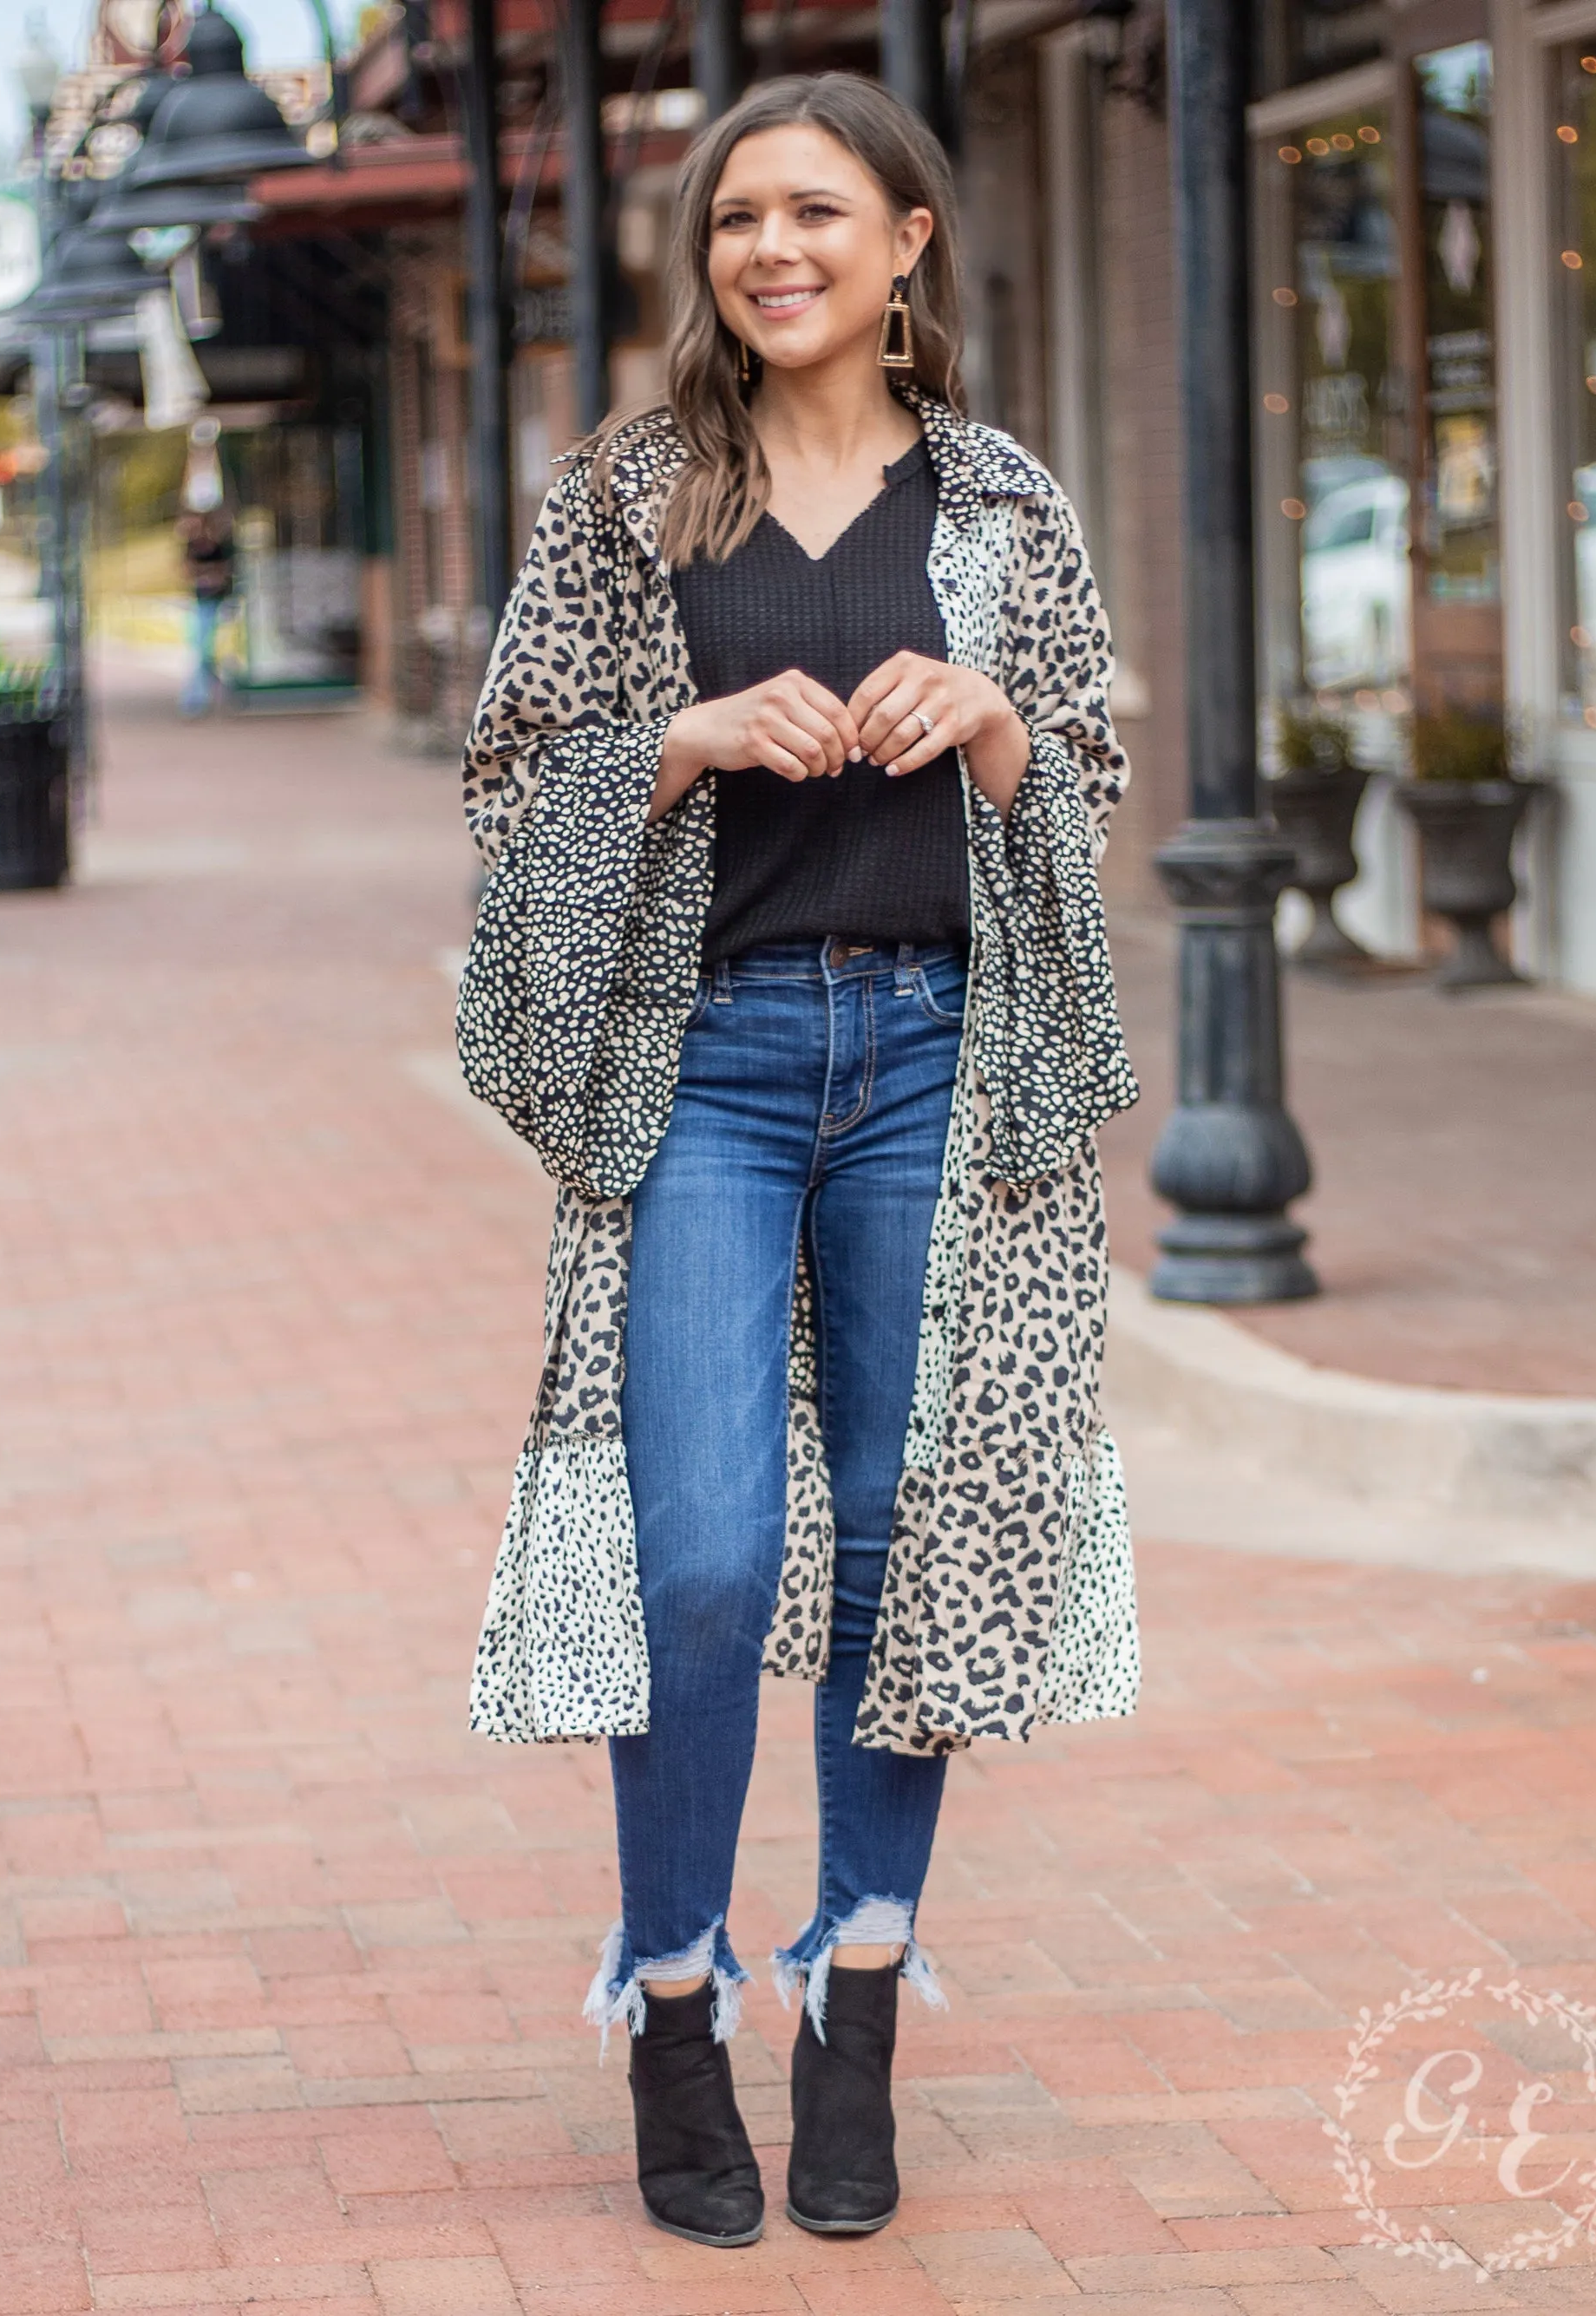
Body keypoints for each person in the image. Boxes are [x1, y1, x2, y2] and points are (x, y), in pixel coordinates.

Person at [457, 72, 1141, 2251]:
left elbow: (1091, 776)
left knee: (904, 1541)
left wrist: (998, 729)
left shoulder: (1004, 505)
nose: (771, 249)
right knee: (700, 1553)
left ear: (906, 244)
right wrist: (673, 743)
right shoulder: (631, 495)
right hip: (711, 1072)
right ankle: (674, 1999)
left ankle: (854, 1997)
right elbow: (509, 774)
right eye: (738, 216)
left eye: (817, 214)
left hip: (940, 1064)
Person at [176, 506, 234, 717]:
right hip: (201, 602)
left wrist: (209, 573)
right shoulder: (193, 546)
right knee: (201, 650)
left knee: (206, 650)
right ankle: (202, 695)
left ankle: (197, 698)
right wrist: (209, 573)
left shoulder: (221, 546)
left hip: (219, 603)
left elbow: (225, 571)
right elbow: (187, 570)